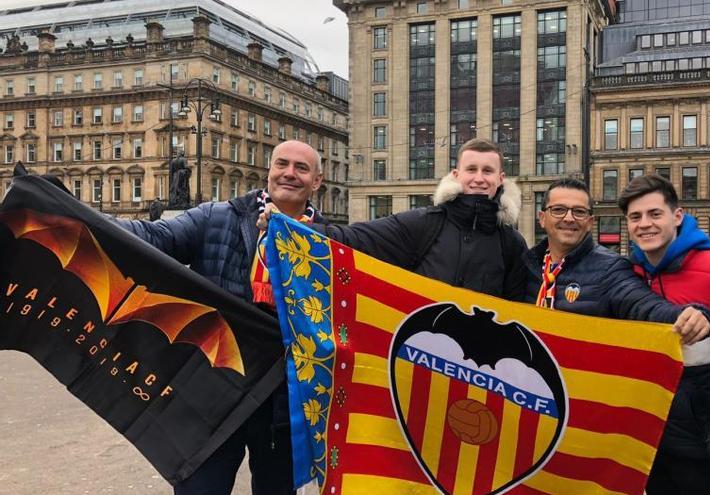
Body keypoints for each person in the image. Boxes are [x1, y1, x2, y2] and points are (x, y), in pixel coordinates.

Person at [116, 140, 326, 495]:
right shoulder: (218, 217)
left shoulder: (330, 242)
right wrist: (74, 213)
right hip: (213, 395)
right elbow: (155, 236)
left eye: (301, 168)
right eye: (282, 164)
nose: (289, 173)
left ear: (317, 181)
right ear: (269, 171)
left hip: (284, 404)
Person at [267, 137, 527, 300]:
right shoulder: (425, 223)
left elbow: (523, 311)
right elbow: (355, 238)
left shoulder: (512, 243)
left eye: (487, 171)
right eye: (472, 169)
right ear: (457, 174)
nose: (479, 178)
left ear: (500, 178)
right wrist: (291, 225)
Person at [618, 174, 710, 495]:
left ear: (678, 216)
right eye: (635, 217)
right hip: (649, 437)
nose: (644, 224)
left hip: (701, 446)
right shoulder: (629, 272)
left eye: (654, 214)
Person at [523, 177, 710, 342]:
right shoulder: (527, 265)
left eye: (579, 212)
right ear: (542, 218)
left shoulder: (610, 269)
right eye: (558, 210)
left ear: (590, 222)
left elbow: (644, 307)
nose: (569, 218)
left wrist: (689, 316)